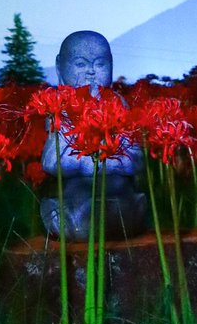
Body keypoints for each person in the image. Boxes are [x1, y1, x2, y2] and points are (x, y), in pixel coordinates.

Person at [40, 30, 147, 240]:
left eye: (100, 64)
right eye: (80, 64)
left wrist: (105, 162)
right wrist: (93, 162)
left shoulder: (118, 104)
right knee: (69, 212)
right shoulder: (59, 109)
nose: (91, 72)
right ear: (60, 68)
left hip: (118, 198)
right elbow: (51, 162)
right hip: (76, 201)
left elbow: (137, 159)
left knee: (131, 207)